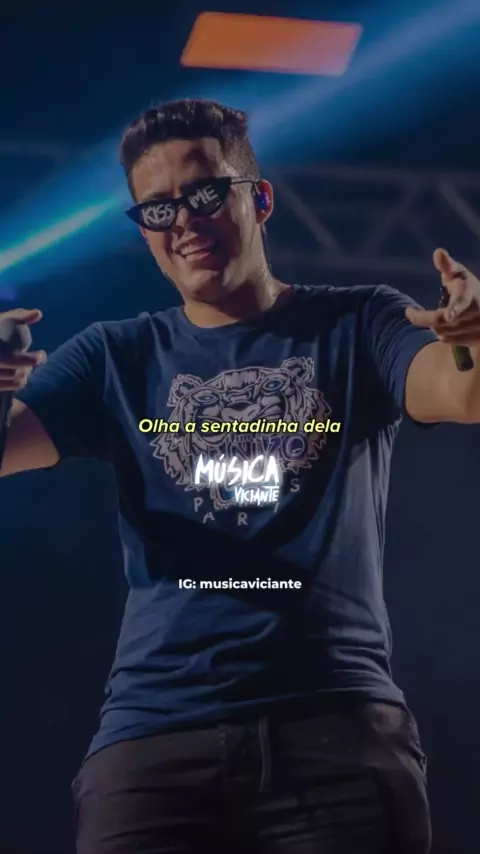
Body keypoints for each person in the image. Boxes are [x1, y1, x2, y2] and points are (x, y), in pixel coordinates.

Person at [2, 99, 480, 854]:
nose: (184, 222)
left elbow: (463, 392)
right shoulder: (116, 357)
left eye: (203, 193)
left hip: (337, 733)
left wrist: (471, 337)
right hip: (155, 744)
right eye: (158, 208)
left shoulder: (357, 323)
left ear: (258, 199)